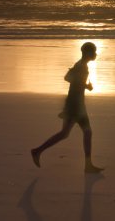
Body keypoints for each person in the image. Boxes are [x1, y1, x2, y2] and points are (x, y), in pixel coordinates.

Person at [31, 42, 104, 173]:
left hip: (76, 104)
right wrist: (83, 87)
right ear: (87, 53)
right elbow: (70, 79)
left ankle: (38, 151)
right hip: (76, 105)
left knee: (66, 133)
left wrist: (85, 86)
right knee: (84, 132)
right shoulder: (81, 66)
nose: (95, 54)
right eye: (94, 52)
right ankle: (87, 165)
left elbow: (70, 79)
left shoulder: (81, 65)